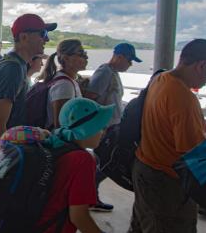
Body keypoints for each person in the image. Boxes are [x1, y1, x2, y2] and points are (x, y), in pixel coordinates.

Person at [129, 39, 206, 233]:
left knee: (141, 225)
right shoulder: (184, 98)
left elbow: (167, 125)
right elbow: (194, 155)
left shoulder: (161, 78)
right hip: (167, 184)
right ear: (201, 65)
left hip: (144, 169)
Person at [0, 14, 57, 166]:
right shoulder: (12, 69)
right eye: (43, 34)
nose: (46, 39)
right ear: (23, 37)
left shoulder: (17, 64)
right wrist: (3, 163)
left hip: (3, 143)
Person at [36, 98, 114, 233]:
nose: (103, 132)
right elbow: (79, 217)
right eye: (99, 126)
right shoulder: (83, 160)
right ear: (87, 129)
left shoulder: (55, 142)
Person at [84, 42, 141, 212]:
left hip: (112, 128)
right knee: (107, 164)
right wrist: (96, 128)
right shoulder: (104, 72)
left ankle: (90, 196)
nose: (130, 65)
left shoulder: (113, 73)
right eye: (129, 60)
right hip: (104, 130)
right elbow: (90, 99)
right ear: (119, 56)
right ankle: (89, 197)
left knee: (104, 164)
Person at [36, 39, 88, 130]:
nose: (86, 57)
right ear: (66, 58)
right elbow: (60, 126)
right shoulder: (64, 85)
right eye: (81, 53)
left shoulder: (68, 80)